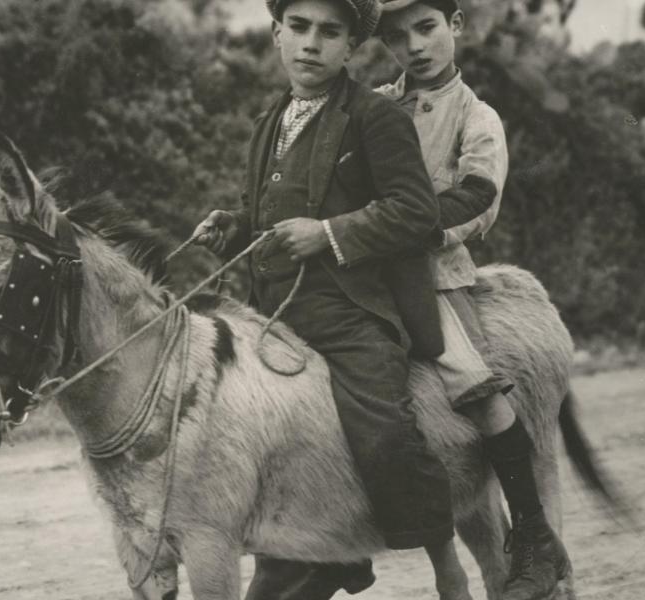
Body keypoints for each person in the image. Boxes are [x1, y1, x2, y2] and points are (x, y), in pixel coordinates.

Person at [193, 0, 456, 597]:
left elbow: (415, 211)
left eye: (329, 32)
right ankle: (323, 552)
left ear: (352, 48)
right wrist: (235, 225)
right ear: (277, 35)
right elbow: (272, 214)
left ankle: (441, 556)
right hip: (274, 327)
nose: (312, 44)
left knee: (383, 429)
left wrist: (330, 234)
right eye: (300, 28)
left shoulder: (373, 117)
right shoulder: (268, 123)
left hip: (351, 318)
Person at [375, 1, 571, 598]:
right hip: (366, 274)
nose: (415, 46)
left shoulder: (476, 116)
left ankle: (535, 536)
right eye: (398, 37)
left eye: (427, 28)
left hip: (434, 273)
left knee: (468, 385)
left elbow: (480, 200)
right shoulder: (377, 104)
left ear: (455, 26)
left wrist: (411, 227)